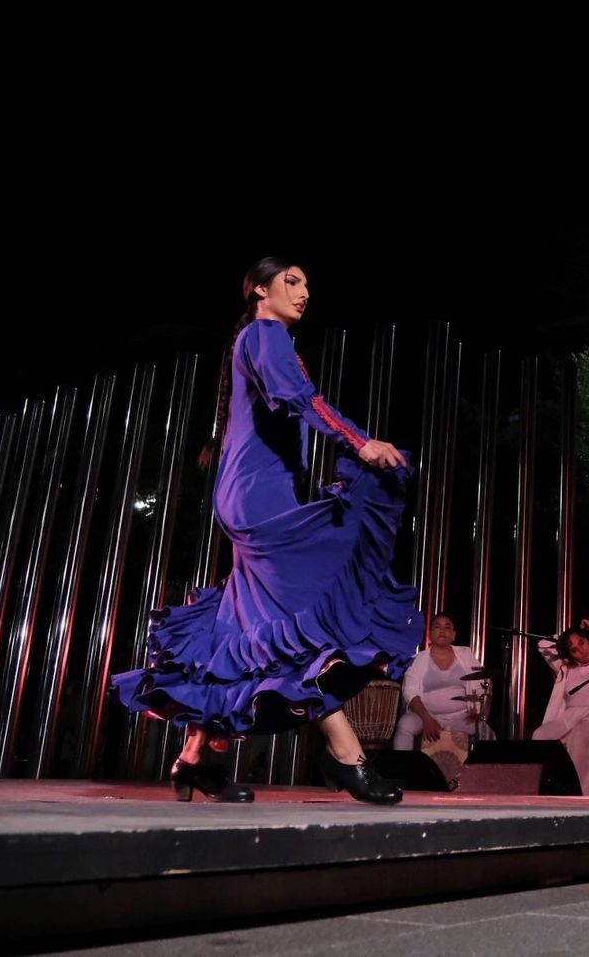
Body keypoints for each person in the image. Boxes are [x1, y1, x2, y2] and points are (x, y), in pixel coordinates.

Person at [113, 257, 421, 805]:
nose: (304, 293)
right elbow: (301, 400)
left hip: (255, 495)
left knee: (250, 631)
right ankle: (348, 756)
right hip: (259, 499)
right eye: (291, 282)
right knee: (300, 625)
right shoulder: (265, 333)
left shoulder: (260, 340)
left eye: (307, 285)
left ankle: (196, 760)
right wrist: (360, 442)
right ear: (259, 290)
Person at [531, 619, 589, 796]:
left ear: (588, 640)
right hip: (569, 719)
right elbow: (543, 645)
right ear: (569, 654)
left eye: (581, 642)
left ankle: (574, 791)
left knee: (580, 733)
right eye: (574, 649)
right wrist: (566, 639)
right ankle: (548, 789)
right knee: (539, 735)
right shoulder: (565, 667)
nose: (581, 650)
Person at [395, 612, 495, 750]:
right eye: (437, 626)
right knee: (405, 725)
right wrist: (427, 720)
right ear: (430, 633)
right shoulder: (417, 659)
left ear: (453, 635)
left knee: (488, 734)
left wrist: (477, 709)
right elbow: (410, 693)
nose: (442, 630)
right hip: (427, 715)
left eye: (447, 627)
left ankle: (481, 771)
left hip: (460, 717)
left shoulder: (465, 654)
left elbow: (481, 684)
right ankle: (402, 771)